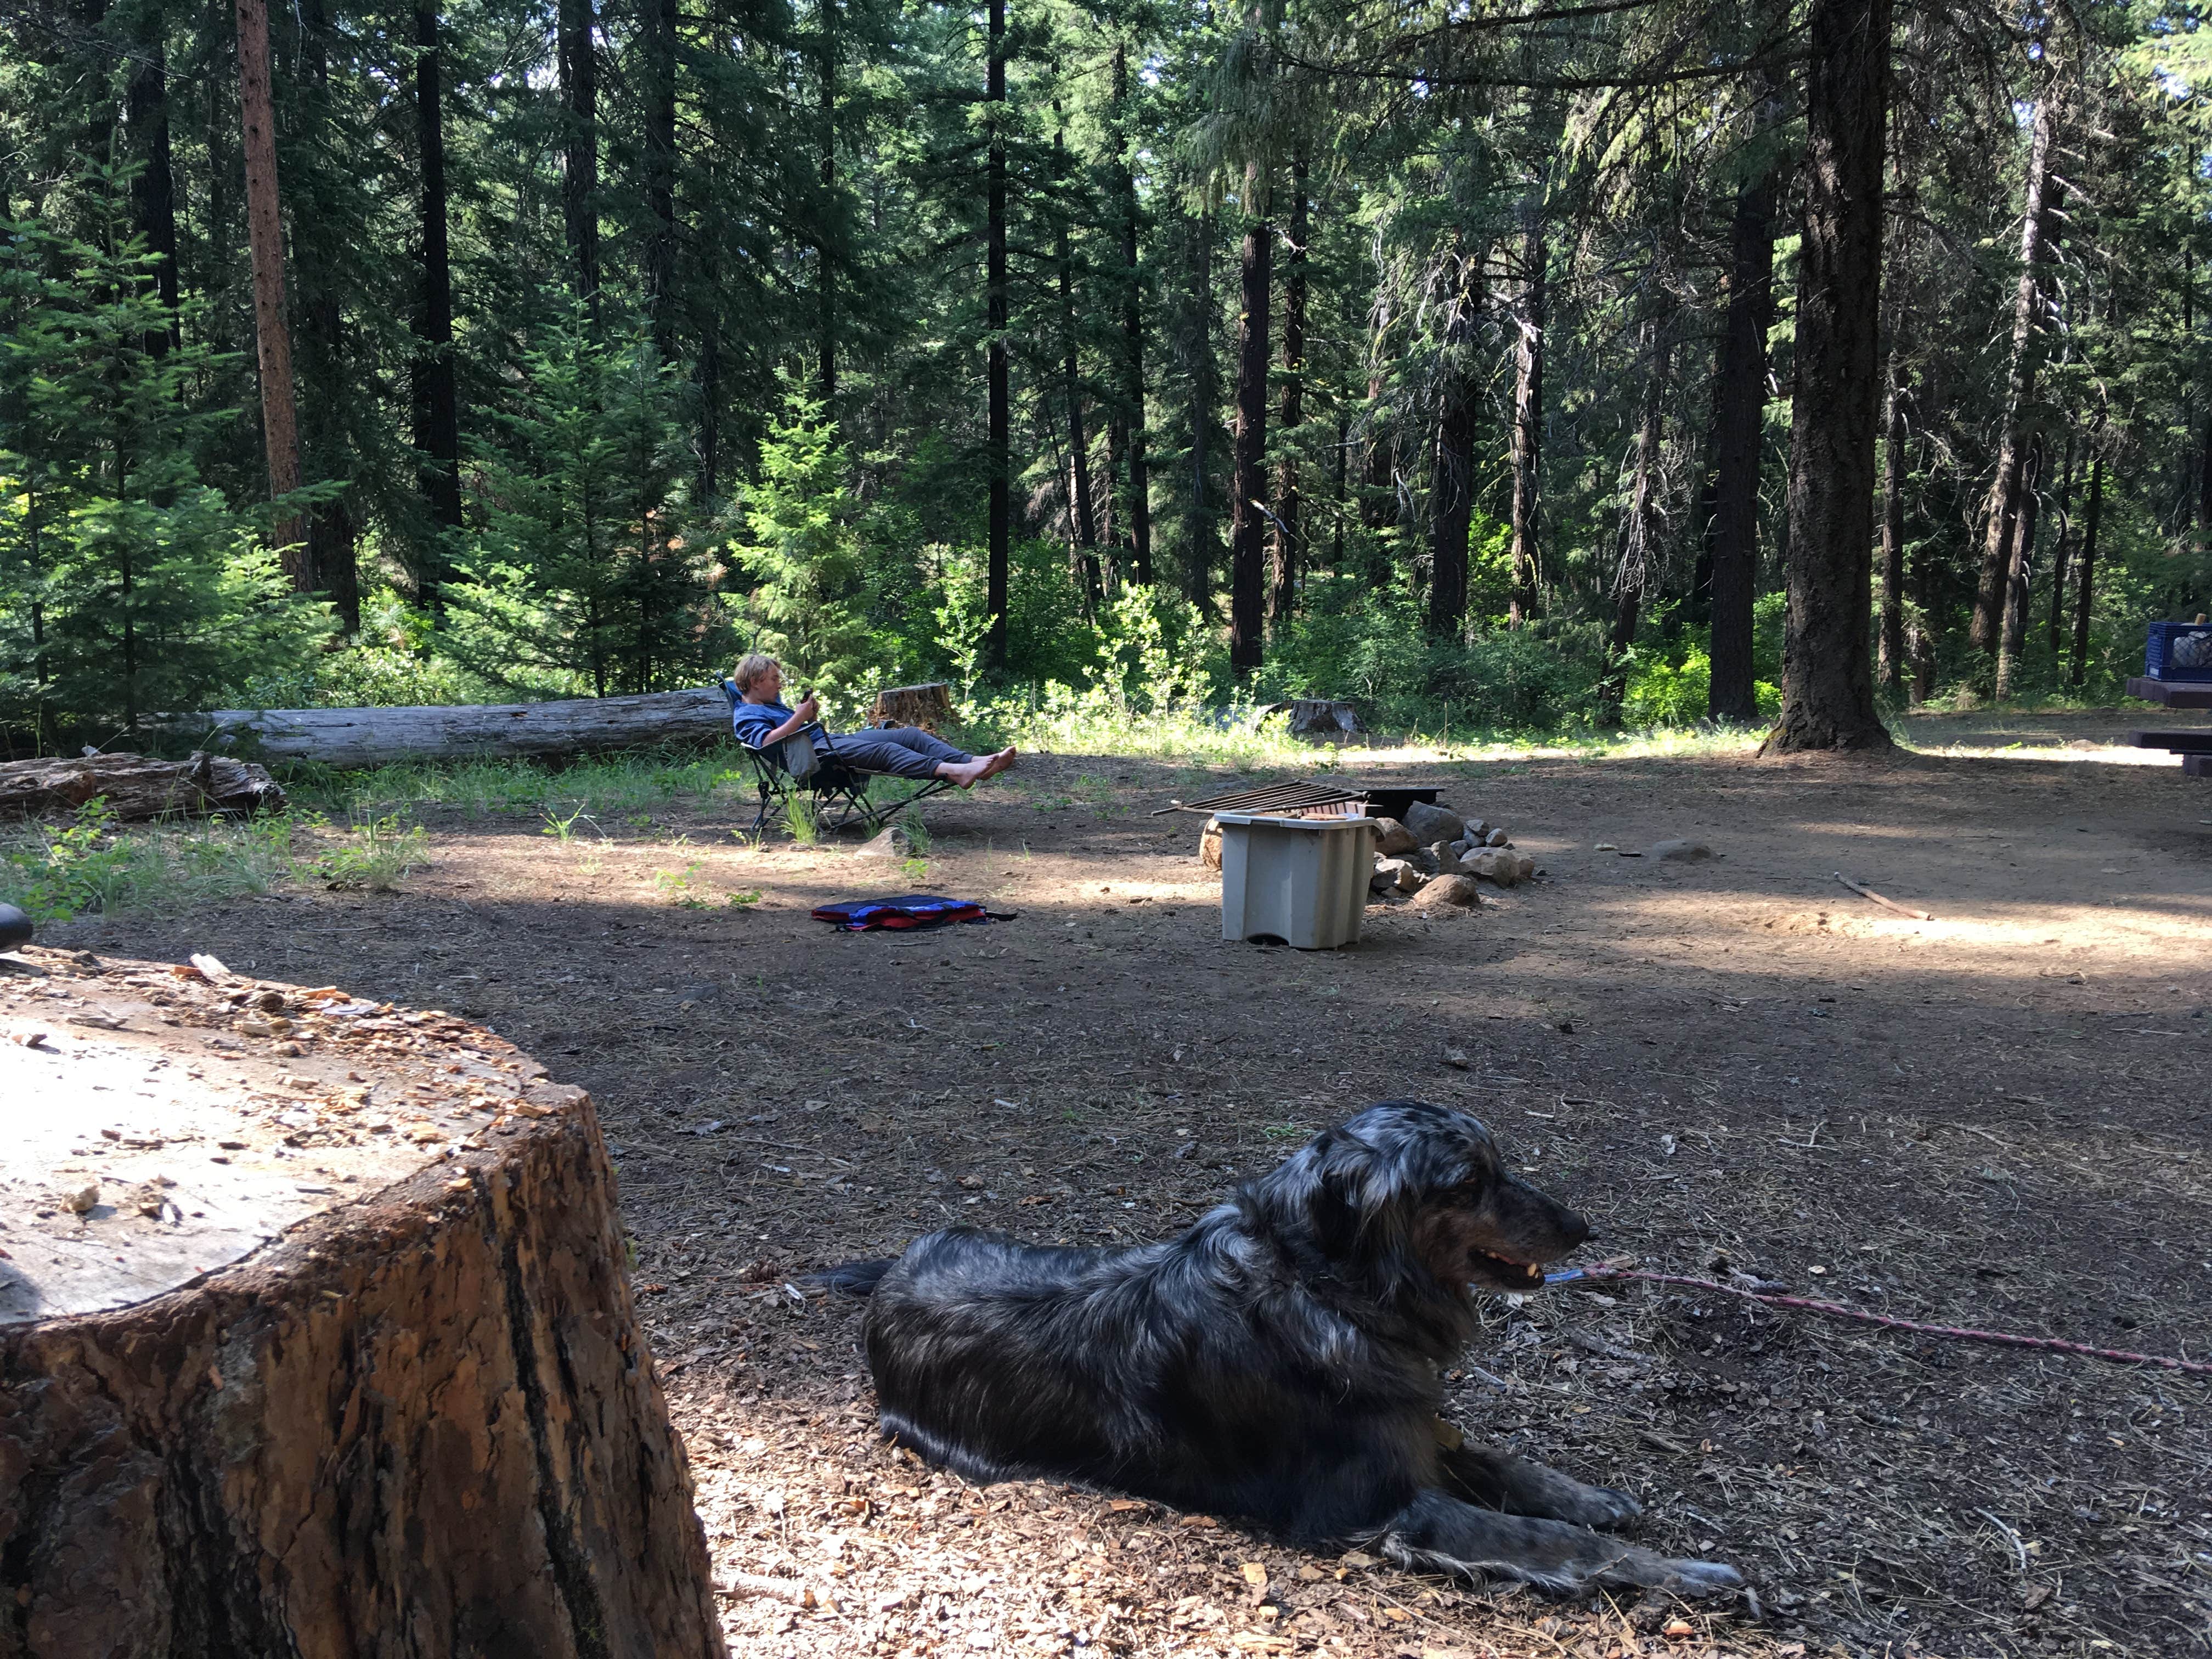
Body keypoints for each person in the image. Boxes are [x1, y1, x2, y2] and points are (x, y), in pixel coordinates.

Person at [727, 656, 1015, 788]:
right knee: (887, 752)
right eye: (774, 679)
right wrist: (801, 718)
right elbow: (766, 743)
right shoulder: (747, 714)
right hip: (817, 757)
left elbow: (793, 728)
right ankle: (958, 771)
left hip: (829, 741)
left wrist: (807, 716)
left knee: (909, 736)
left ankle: (978, 761)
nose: (779, 684)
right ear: (755, 682)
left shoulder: (770, 704)